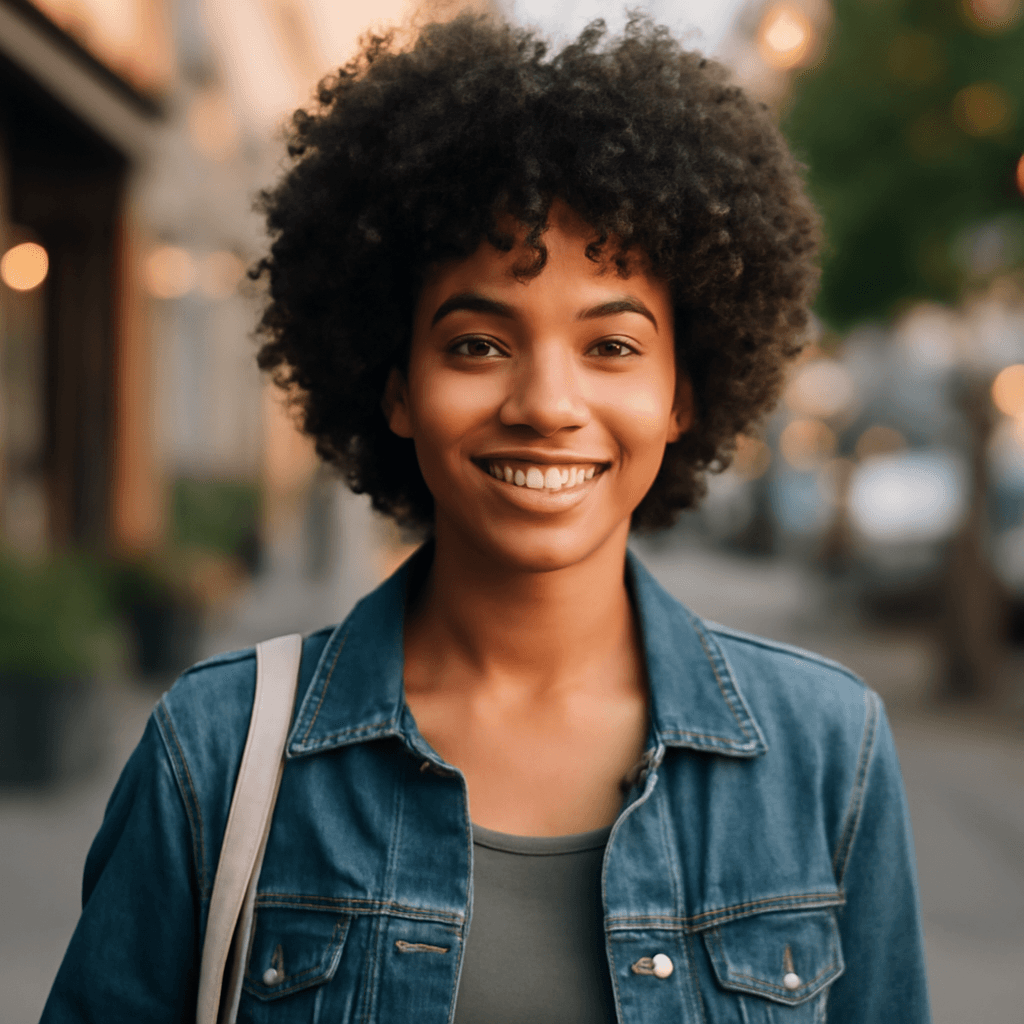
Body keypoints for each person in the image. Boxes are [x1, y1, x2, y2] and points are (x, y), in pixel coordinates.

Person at [41, 13, 931, 1023]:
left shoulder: (825, 749)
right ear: (395, 385)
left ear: (684, 393)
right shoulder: (216, 753)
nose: (547, 403)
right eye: (476, 344)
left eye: (612, 346)